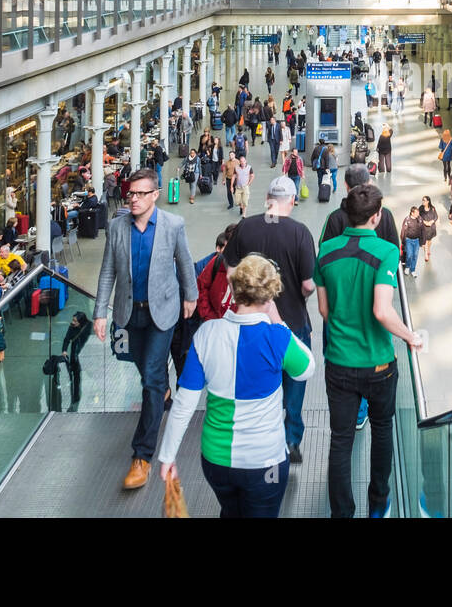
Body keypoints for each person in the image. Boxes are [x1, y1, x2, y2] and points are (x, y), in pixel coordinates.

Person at [157, 255, 314, 518]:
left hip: (216, 461)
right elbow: (307, 369)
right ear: (270, 296)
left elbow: (184, 405)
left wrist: (167, 456)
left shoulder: (206, 334)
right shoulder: (278, 338)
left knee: (231, 511)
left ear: (233, 289)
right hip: (265, 463)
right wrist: (277, 319)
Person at [316, 184, 423, 517]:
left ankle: (342, 512)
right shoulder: (386, 252)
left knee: (341, 440)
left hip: (338, 363)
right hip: (378, 364)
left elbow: (324, 311)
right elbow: (382, 310)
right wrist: (410, 337)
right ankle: (378, 505)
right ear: (377, 216)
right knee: (381, 431)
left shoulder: (326, 252)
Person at [93, 167, 198, 490]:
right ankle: (162, 388)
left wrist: (190, 296)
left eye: (140, 194)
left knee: (150, 378)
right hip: (129, 313)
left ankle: (142, 456)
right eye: (130, 193)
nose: (133, 199)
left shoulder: (172, 225)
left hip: (162, 312)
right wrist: (100, 312)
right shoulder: (117, 227)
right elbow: (108, 270)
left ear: (155, 195)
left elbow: (184, 262)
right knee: (146, 371)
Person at [222, 177, 317, 464]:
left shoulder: (245, 227)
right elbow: (309, 285)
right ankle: (290, 440)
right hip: (291, 321)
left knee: (258, 379)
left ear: (266, 197)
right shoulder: (300, 233)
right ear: (291, 200)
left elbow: (229, 269)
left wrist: (245, 296)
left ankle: (259, 436)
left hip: (250, 322)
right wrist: (299, 298)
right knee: (294, 381)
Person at [61, 311, 92, 408]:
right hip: (75, 353)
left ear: (81, 322)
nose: (73, 322)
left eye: (75, 321)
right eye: (73, 320)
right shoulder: (71, 327)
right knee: (75, 375)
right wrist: (64, 350)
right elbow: (67, 339)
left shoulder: (89, 326)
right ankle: (75, 396)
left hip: (86, 352)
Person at [400, 205, 423, 278]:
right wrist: (403, 241)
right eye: (416, 213)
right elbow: (403, 231)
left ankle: (413, 270)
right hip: (408, 240)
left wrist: (423, 241)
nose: (418, 214)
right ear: (412, 213)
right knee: (409, 255)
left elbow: (422, 229)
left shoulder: (419, 219)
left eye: (418, 213)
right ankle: (407, 267)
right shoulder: (407, 219)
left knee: (415, 255)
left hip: (416, 240)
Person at [418, 195, 439, 264]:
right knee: (425, 240)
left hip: (431, 227)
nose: (423, 201)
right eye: (422, 200)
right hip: (424, 227)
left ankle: (428, 249)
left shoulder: (432, 208)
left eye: (424, 200)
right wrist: (425, 222)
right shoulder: (420, 208)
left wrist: (431, 222)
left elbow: (436, 216)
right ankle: (426, 254)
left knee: (429, 241)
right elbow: (418, 216)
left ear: (428, 201)